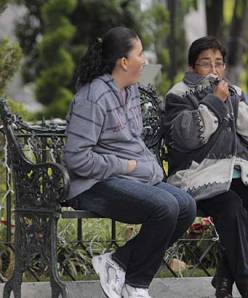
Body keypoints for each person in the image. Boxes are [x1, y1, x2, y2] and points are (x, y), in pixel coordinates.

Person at [63, 26, 196, 298]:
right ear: (124, 62)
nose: (145, 60)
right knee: (165, 207)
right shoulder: (93, 97)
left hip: (124, 179)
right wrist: (126, 167)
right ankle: (132, 279)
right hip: (91, 184)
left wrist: (147, 169)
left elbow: (131, 141)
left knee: (186, 206)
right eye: (140, 53)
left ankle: (128, 275)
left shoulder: (130, 91)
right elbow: (76, 158)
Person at [164, 36, 248, 298]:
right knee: (231, 207)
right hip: (197, 175)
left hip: (234, 173)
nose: (214, 69)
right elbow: (188, 137)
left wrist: (233, 101)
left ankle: (225, 278)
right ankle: (245, 282)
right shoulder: (178, 94)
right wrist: (215, 103)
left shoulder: (232, 92)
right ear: (193, 67)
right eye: (206, 64)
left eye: (219, 63)